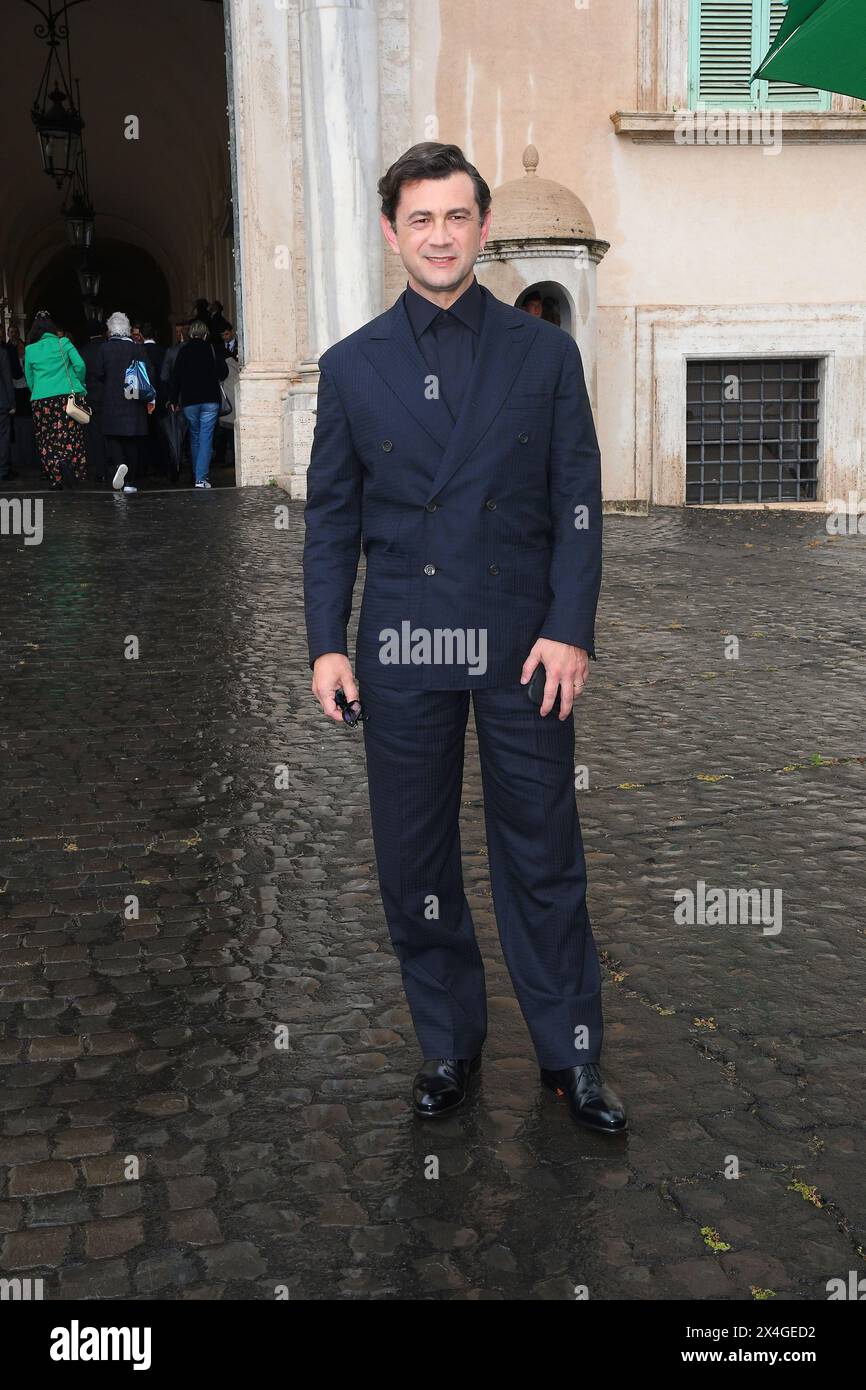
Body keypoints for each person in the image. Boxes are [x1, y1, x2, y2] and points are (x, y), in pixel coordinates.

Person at [303, 141, 626, 1135]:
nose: (438, 236)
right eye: (419, 219)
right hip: (402, 645)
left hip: (523, 640)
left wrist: (570, 630)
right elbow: (330, 520)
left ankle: (568, 1053)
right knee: (413, 858)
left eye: (455, 217)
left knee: (541, 851)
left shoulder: (543, 354)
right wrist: (327, 643)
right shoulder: (350, 367)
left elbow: (577, 499)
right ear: (392, 231)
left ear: (481, 229)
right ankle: (448, 1042)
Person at [92, 311, 155, 495]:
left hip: (111, 402)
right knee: (132, 442)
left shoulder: (104, 349)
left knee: (114, 439)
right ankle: (131, 482)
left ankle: (120, 465)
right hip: (133, 401)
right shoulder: (137, 348)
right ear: (127, 330)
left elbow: (99, 374)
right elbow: (149, 373)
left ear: (110, 330)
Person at [23, 311, 88, 489]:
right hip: (66, 397)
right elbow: (80, 365)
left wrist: (37, 390)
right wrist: (79, 382)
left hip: (41, 399)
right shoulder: (63, 343)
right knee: (69, 434)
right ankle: (69, 464)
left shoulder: (30, 350)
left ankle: (56, 473)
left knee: (46, 438)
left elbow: (29, 377)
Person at [168, 318, 228, 489]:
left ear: (191, 333)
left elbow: (176, 377)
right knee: (206, 437)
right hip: (210, 400)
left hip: (190, 402)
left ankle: (196, 473)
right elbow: (223, 372)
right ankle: (201, 478)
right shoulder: (211, 349)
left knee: (195, 436)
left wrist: (173, 400)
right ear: (205, 334)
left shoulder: (183, 351)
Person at [79, 317, 108, 487]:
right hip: (106, 396)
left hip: (89, 396)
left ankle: (100, 470)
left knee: (94, 435)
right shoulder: (106, 349)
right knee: (110, 433)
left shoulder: (82, 352)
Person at [0, 341, 15, 482]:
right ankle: (2, 470)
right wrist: (12, 403)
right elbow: (7, 379)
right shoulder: (2, 353)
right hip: (1, 401)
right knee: (3, 438)